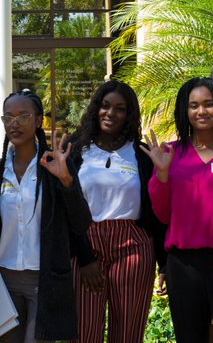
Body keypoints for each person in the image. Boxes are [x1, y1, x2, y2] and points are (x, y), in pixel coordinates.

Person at [0, 90, 92, 343]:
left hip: (44, 280)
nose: (14, 124)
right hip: (4, 280)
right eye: (8, 117)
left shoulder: (54, 166)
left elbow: (80, 222)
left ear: (38, 120)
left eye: (23, 116)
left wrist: (66, 180)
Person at [145, 77, 213, 343]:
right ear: (184, 110)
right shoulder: (169, 153)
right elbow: (164, 215)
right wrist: (162, 174)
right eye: (194, 105)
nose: (201, 111)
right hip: (183, 265)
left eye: (209, 104)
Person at [67, 80, 164, 343]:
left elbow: (155, 211)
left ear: (128, 114)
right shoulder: (76, 150)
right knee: (84, 332)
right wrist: (84, 257)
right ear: (96, 108)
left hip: (133, 245)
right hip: (87, 241)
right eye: (105, 106)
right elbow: (68, 207)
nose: (110, 113)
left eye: (120, 109)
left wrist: (163, 263)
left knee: (128, 333)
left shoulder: (142, 154)